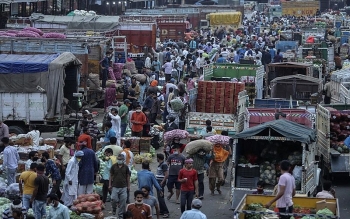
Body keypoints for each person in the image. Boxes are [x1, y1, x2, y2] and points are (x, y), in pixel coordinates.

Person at [155, 153, 170, 218]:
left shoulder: (164, 165)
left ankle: (166, 212)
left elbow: (166, 174)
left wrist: (162, 182)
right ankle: (161, 210)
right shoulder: (161, 164)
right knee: (159, 197)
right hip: (159, 182)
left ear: (158, 158)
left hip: (161, 182)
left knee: (161, 197)